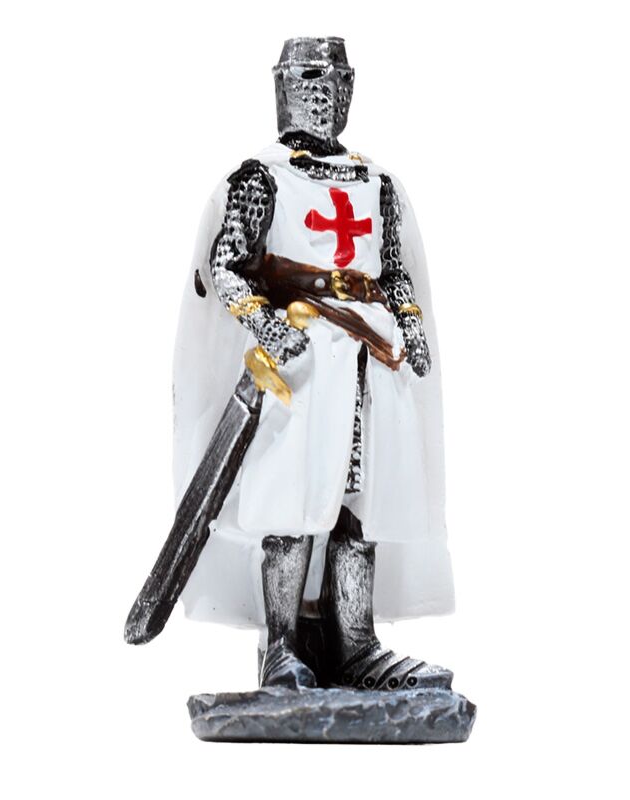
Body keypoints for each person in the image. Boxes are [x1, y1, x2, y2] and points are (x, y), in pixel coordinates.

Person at [173, 37, 456, 691]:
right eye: (308, 78)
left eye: (334, 79)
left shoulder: (376, 183)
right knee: (292, 501)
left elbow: (394, 272)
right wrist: (267, 325)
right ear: (283, 86)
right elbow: (227, 266)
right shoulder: (262, 178)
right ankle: (282, 648)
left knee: (361, 505)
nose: (323, 92)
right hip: (300, 369)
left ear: (349, 87)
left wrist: (411, 326)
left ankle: (356, 645)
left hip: (368, 363)